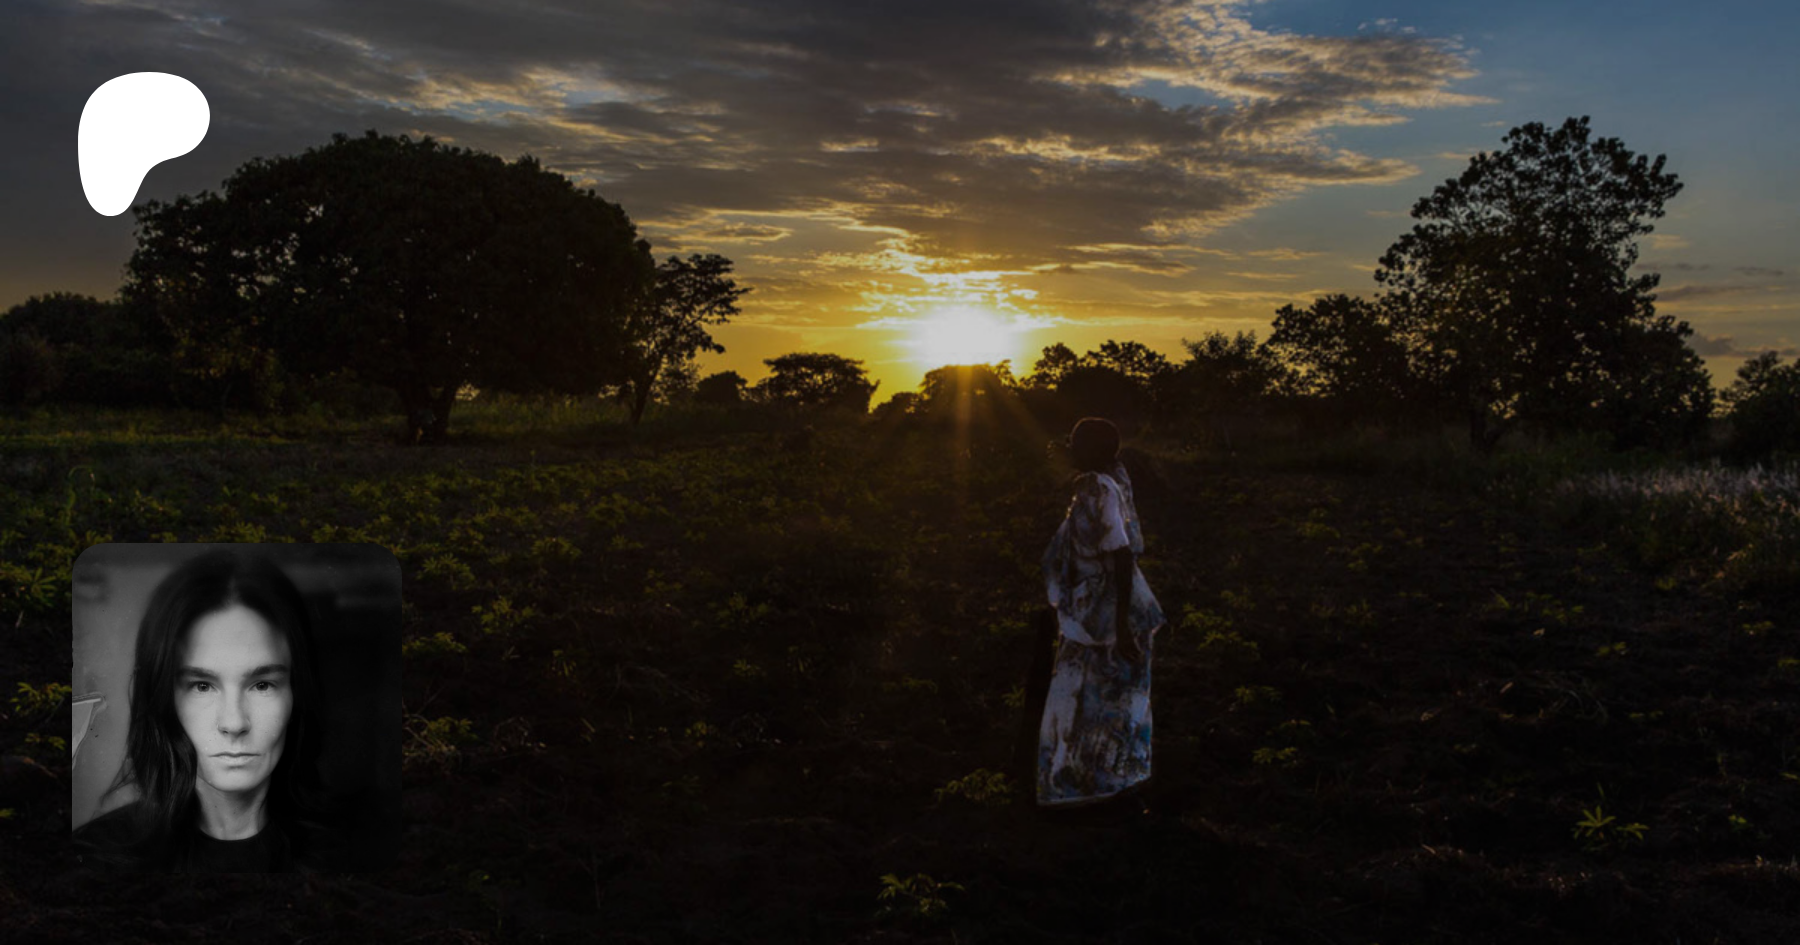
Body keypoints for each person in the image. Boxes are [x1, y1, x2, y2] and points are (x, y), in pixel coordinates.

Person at [73, 550, 343, 871]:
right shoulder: (95, 858)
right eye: (202, 686)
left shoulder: (354, 854)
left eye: (262, 685)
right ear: (163, 697)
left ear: (296, 693)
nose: (234, 723)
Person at [1036, 417, 1166, 809]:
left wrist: (1121, 625)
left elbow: (1121, 556)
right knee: (1102, 702)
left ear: (1093, 450)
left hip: (1106, 615)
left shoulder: (1098, 487)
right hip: (1100, 611)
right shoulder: (1108, 480)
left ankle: (1091, 791)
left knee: (1094, 702)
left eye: (1076, 442)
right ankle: (1102, 789)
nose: (1069, 448)